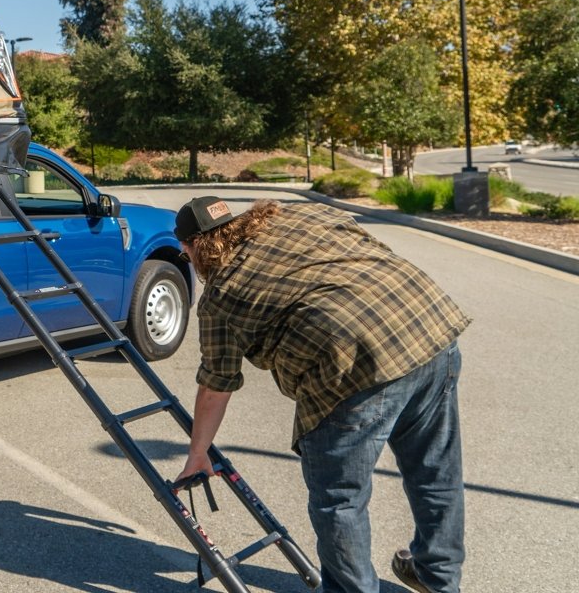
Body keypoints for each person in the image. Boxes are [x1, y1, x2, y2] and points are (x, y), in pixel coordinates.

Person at [173, 195, 468, 593]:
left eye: (186, 250)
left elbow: (216, 383)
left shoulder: (220, 296)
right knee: (435, 471)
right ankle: (439, 579)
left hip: (353, 370)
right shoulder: (299, 213)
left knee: (340, 502)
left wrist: (197, 452)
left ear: (193, 246)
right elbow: (367, 247)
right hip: (427, 326)